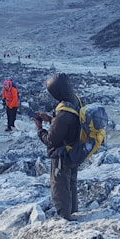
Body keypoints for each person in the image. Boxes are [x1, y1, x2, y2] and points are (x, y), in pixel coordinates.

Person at [33, 72, 82, 221]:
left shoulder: (62, 115)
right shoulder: (76, 101)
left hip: (61, 156)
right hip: (74, 151)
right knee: (71, 184)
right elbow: (70, 125)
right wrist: (51, 120)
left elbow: (51, 140)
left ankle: (64, 219)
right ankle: (73, 213)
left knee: (60, 188)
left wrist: (40, 128)